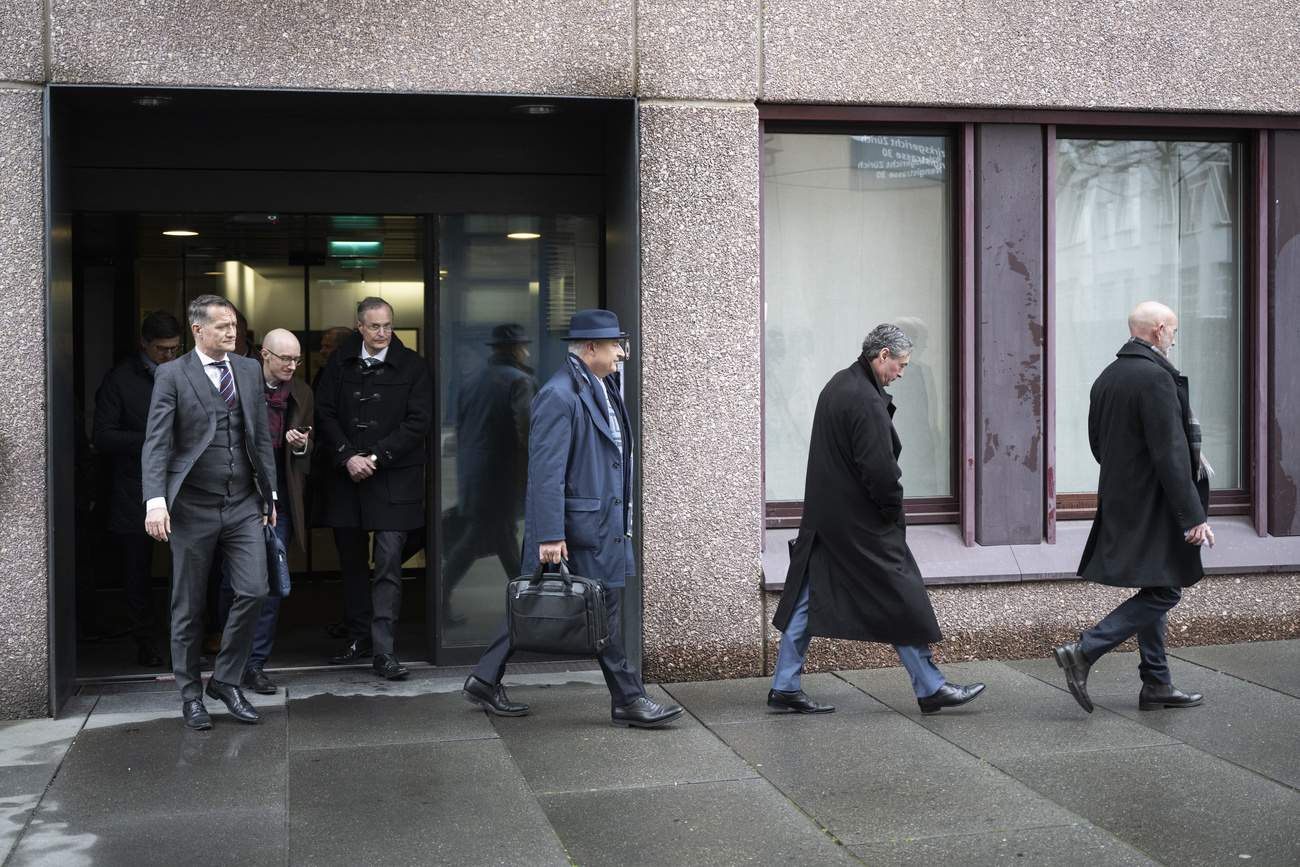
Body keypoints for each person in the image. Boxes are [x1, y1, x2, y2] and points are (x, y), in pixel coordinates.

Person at [463, 310, 684, 729]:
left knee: (536, 601)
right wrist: (549, 533)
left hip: (603, 523)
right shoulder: (558, 394)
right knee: (603, 611)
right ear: (589, 349)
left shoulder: (603, 386)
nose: (622, 352)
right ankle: (628, 699)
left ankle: (484, 679)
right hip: (577, 528)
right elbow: (545, 470)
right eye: (615, 345)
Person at [769, 324, 986, 716]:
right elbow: (881, 471)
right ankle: (932, 687)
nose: (902, 373)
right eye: (900, 365)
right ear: (882, 355)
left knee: (808, 596)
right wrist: (891, 513)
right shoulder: (865, 400)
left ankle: (785, 685)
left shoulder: (839, 383)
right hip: (861, 522)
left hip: (829, 518)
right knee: (900, 595)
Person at [1054, 301, 1212, 713]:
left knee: (1156, 582)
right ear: (1158, 330)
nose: (1175, 339)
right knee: (1167, 588)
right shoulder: (1155, 378)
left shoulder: (1108, 376)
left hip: (1124, 498)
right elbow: (1172, 455)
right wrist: (1193, 516)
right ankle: (1084, 650)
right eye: (1174, 331)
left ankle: (1157, 683)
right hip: (1155, 502)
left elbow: (1097, 445)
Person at [142, 295, 277, 730]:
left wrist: (269, 497)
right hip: (192, 505)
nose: (232, 333)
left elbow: (258, 439)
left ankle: (225, 680)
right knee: (188, 605)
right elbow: (157, 442)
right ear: (198, 330)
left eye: (234, 325)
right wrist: (155, 501)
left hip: (242, 502)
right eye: (222, 326)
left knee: (255, 590)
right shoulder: (171, 374)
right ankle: (190, 695)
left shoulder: (250, 370)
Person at [315, 297, 431, 680]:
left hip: (394, 478)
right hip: (347, 477)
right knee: (350, 564)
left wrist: (376, 457)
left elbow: (419, 422)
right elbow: (324, 412)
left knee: (387, 564)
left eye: (388, 326)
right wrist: (348, 456)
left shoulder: (414, 364)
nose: (383, 334)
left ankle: (384, 651)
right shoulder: (339, 361)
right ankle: (358, 636)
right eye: (375, 327)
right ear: (360, 326)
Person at [217, 329, 314, 695]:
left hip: (280, 497)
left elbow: (306, 456)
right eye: (285, 358)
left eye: (296, 359)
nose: (292, 366)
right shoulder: (239, 384)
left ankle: (255, 664)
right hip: (241, 494)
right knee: (234, 581)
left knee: (273, 579)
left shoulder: (301, 393)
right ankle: (231, 660)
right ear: (264, 355)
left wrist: (302, 445)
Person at [92, 310, 184, 667]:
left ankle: (186, 640)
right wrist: (154, 440)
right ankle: (146, 640)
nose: (169, 356)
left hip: (182, 484)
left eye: (175, 349)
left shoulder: (184, 371)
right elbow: (102, 435)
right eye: (161, 349)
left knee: (189, 568)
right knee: (137, 571)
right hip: (136, 486)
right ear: (144, 343)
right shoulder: (119, 379)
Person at [441, 323, 538, 625]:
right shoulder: (520, 381)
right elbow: (527, 433)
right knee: (474, 543)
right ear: (513, 349)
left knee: (504, 540)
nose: (528, 351)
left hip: (476, 479)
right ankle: (439, 598)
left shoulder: (470, 383)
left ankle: (528, 607)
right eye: (524, 346)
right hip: (502, 481)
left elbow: (461, 434)